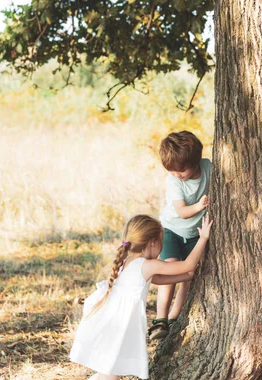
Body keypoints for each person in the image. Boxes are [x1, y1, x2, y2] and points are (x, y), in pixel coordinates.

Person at [70, 213, 213, 380]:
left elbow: (158, 279)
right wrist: (202, 239)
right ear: (153, 242)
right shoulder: (148, 264)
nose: (162, 248)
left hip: (111, 320)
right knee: (111, 374)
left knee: (109, 371)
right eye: (162, 242)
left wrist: (187, 277)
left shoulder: (128, 261)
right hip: (120, 324)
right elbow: (187, 265)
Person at [149, 131, 211, 340]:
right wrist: (200, 205)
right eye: (172, 171)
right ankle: (161, 319)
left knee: (188, 276)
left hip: (195, 234)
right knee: (170, 271)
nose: (177, 174)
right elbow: (183, 212)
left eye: (181, 170)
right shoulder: (174, 182)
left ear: (195, 162)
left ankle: (174, 318)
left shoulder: (208, 167)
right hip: (172, 230)